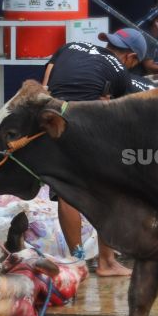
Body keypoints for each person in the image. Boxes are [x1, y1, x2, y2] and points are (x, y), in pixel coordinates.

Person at [43, 28, 147, 276]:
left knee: (67, 192)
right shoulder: (121, 72)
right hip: (87, 130)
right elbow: (117, 114)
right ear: (131, 57)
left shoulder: (69, 47)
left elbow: (46, 82)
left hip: (51, 121)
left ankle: (77, 260)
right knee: (109, 192)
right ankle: (107, 262)